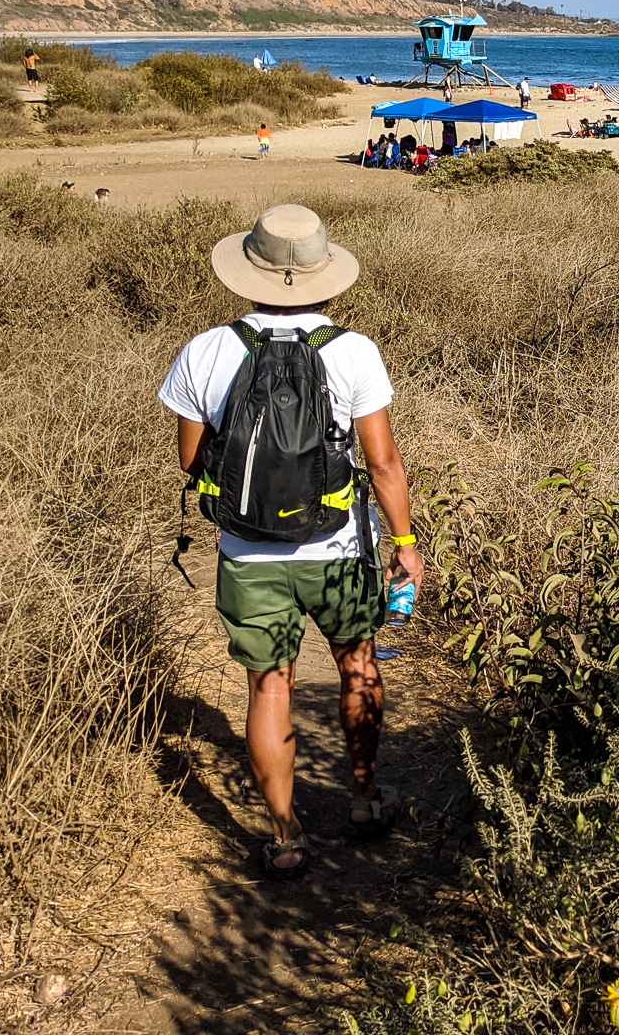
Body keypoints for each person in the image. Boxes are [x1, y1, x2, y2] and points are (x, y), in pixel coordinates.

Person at [159, 205, 423, 880]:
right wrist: (405, 540)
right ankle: (364, 802)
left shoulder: (207, 349)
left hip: (248, 553)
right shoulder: (353, 351)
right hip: (337, 548)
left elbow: (191, 462)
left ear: (247, 273)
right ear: (324, 276)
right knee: (358, 664)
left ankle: (284, 838)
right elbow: (384, 462)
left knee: (268, 684)